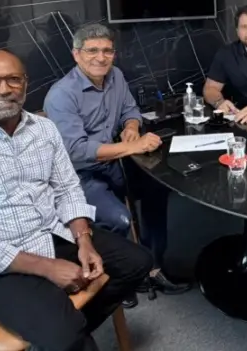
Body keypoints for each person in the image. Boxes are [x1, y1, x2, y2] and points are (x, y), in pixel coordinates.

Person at [0, 48, 152, 351]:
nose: (4, 89)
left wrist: (84, 240)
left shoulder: (44, 129)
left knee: (136, 262)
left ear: (25, 84)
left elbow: (68, 188)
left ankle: (66, 329)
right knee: (64, 334)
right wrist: (48, 268)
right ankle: (64, 333)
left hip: (50, 234)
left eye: (13, 79)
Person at [44, 23, 191, 305]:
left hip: (115, 162)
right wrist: (132, 147)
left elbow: (130, 110)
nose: (101, 58)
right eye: (92, 51)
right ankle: (120, 277)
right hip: (79, 175)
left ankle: (153, 266)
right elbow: (77, 151)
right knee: (118, 218)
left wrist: (131, 127)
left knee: (158, 187)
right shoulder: (61, 95)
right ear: (76, 54)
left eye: (107, 51)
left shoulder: (116, 76)